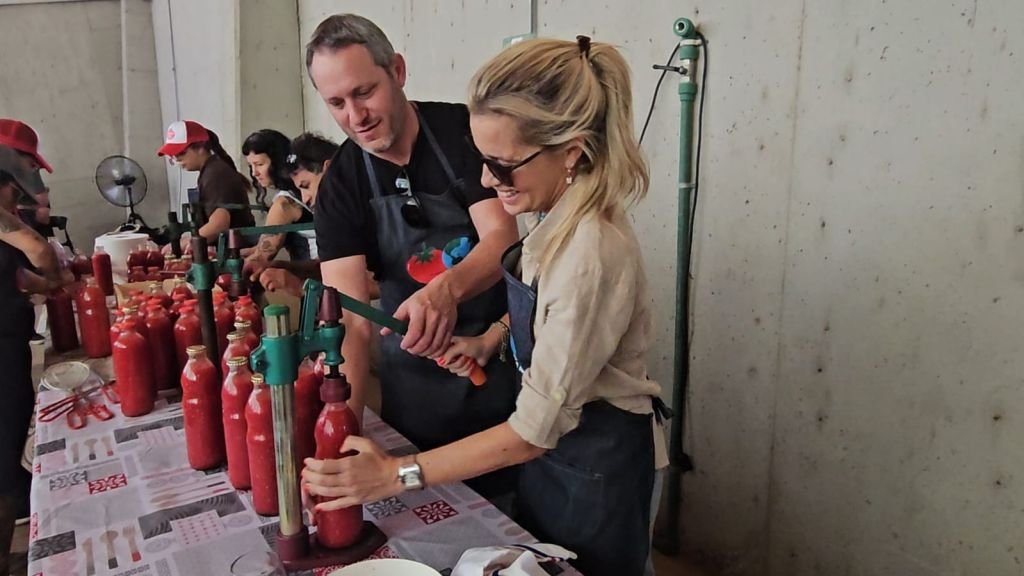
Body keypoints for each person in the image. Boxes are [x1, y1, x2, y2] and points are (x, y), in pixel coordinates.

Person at [302, 37, 669, 576]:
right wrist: (492, 337)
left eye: (501, 165)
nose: (485, 181)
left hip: (596, 465)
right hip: (554, 457)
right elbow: (548, 318)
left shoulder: (590, 253)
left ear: (571, 151)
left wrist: (398, 475)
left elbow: (532, 431)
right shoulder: (556, 222)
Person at [304, 14, 520, 500]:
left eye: (364, 92)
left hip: (498, 360)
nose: (356, 116)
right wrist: (342, 439)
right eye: (336, 103)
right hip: (416, 390)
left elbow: (501, 240)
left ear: (397, 71)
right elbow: (350, 320)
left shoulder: (462, 133)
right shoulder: (341, 185)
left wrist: (446, 290)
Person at [0, 124, 71, 575]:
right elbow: (37, 249)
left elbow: (15, 274)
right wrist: (59, 276)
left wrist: (48, 286)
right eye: (25, 169)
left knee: (9, 452)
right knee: (4, 463)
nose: (20, 195)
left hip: (9, 341)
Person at [254, 132, 340, 297]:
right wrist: (287, 267)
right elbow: (332, 265)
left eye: (306, 185)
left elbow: (371, 284)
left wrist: (299, 287)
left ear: (328, 169)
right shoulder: (333, 215)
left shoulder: (358, 211)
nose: (305, 198)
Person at [157, 120, 255, 247]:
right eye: (173, 156)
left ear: (201, 147)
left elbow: (218, 225)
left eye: (181, 153)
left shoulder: (216, 173)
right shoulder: (211, 170)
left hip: (234, 251)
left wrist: (182, 245)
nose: (178, 160)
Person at [241, 129, 309, 265]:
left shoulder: (284, 204)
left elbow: (261, 256)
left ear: (277, 162)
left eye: (259, 164)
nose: (254, 173)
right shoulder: (298, 191)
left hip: (315, 271)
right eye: (251, 166)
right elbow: (261, 247)